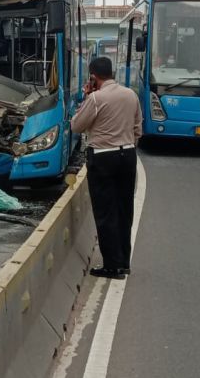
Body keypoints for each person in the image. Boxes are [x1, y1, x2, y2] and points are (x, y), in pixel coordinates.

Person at [71, 57, 143, 280]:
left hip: (103, 157)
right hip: (128, 154)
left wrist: (85, 97)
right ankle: (123, 262)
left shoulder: (95, 98)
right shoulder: (131, 95)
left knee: (105, 213)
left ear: (93, 76)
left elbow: (76, 126)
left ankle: (111, 266)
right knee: (124, 210)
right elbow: (138, 128)